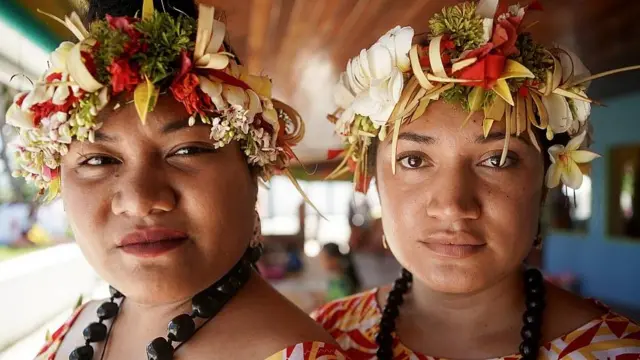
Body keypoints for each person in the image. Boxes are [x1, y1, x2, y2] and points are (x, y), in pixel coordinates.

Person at [5, 0, 348, 359]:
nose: (140, 198)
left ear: (254, 174)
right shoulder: (78, 326)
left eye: (186, 151)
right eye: (98, 160)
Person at [313, 1, 640, 359]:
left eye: (497, 160)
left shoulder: (617, 352)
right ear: (374, 180)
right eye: (413, 160)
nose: (453, 206)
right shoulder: (322, 342)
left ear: (547, 182)